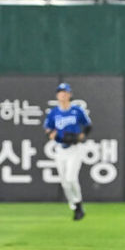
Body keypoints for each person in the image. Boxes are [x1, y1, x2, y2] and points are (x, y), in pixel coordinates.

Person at [43, 83, 92, 221]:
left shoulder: (77, 110)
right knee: (65, 182)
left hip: (75, 148)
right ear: (57, 95)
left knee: (71, 178)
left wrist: (81, 136)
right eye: (60, 92)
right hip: (61, 149)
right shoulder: (53, 113)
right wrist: (58, 136)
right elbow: (48, 130)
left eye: (65, 92)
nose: (63, 95)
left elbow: (88, 126)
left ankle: (78, 204)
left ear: (70, 95)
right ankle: (75, 205)